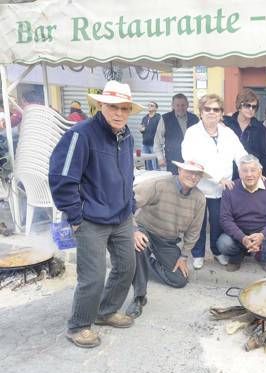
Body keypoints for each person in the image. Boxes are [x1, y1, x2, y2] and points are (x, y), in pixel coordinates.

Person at [49, 80, 144, 348]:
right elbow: (61, 178)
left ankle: (106, 312)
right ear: (100, 105)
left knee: (127, 267)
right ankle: (79, 325)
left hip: (122, 217)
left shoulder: (127, 135)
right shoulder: (81, 134)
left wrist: (131, 206)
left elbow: (128, 175)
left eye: (125, 108)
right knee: (92, 276)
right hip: (91, 220)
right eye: (113, 106)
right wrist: (75, 217)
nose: (119, 113)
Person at [125, 160, 206, 318]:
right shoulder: (158, 184)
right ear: (179, 169)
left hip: (168, 239)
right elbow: (127, 202)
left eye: (197, 174)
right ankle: (139, 297)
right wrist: (133, 230)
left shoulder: (199, 198)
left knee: (179, 280)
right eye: (189, 171)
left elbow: (194, 231)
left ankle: (145, 263)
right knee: (139, 246)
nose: (193, 176)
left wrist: (183, 256)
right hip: (146, 230)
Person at [181, 94, 247, 270]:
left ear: (221, 113)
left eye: (216, 109)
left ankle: (217, 252)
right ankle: (197, 254)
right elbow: (191, 160)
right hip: (200, 187)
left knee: (218, 222)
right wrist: (219, 177)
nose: (211, 112)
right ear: (200, 112)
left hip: (222, 190)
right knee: (198, 224)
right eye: (207, 109)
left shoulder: (227, 133)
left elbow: (240, 154)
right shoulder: (192, 133)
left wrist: (253, 168)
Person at [217, 154, 266, 273]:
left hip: (263, 233)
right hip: (240, 234)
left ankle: (264, 257)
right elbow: (225, 219)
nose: (249, 174)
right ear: (239, 173)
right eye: (245, 171)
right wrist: (243, 238)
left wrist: (262, 235)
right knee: (223, 243)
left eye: (253, 170)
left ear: (260, 172)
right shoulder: (230, 189)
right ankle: (237, 256)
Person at [223, 88, 266, 178]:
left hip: (251, 177)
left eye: (254, 107)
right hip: (229, 177)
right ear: (239, 106)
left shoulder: (260, 128)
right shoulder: (226, 123)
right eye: (247, 105)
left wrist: (259, 176)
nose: (251, 109)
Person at [154, 94, 199, 174]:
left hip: (192, 161)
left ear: (187, 105)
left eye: (183, 105)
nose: (180, 108)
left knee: (191, 184)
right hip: (172, 161)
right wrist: (160, 158)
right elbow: (157, 140)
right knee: (173, 185)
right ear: (173, 106)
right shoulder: (165, 118)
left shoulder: (195, 118)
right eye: (177, 105)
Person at [140, 101, 160, 170]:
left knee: (155, 163)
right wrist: (141, 129)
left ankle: (157, 177)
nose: (149, 107)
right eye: (148, 105)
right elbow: (141, 129)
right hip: (145, 144)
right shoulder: (145, 118)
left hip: (154, 145)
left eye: (152, 105)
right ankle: (149, 177)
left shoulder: (159, 118)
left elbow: (162, 131)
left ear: (156, 108)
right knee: (147, 163)